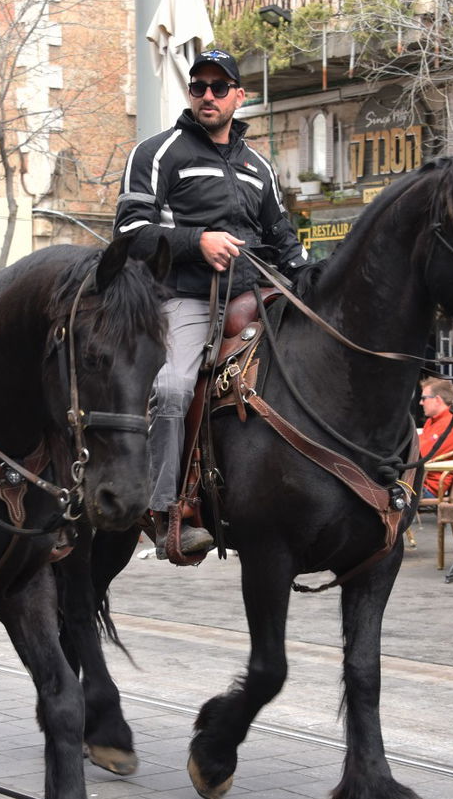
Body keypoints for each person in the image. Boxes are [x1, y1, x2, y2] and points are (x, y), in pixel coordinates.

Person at [114, 48, 310, 557]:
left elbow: (283, 237)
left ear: (238, 97)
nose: (207, 95)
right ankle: (165, 511)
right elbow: (129, 233)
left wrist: (311, 280)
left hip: (259, 295)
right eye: (199, 86)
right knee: (172, 389)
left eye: (219, 88)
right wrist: (197, 241)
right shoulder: (157, 153)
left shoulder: (258, 165)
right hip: (186, 297)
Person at [417, 378, 453, 496]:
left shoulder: (450, 425)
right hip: (420, 482)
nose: (421, 402)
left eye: (424, 398)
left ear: (437, 400)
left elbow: (419, 456)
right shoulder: (434, 420)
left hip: (426, 488)